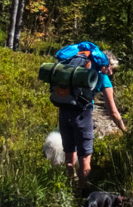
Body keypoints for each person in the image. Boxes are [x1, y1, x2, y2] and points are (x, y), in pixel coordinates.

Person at [53, 43, 126, 186]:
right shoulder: (102, 77)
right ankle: (82, 193)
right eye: (112, 69)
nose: (111, 73)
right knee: (85, 160)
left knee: (69, 157)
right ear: (105, 64)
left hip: (64, 112)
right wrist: (124, 130)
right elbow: (113, 112)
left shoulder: (76, 69)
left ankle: (70, 188)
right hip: (82, 115)